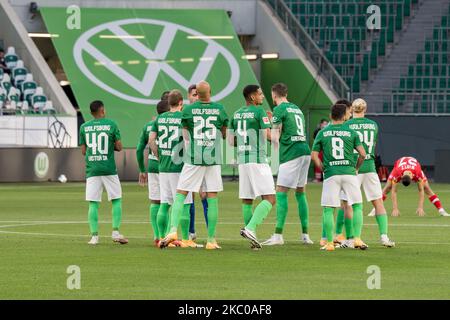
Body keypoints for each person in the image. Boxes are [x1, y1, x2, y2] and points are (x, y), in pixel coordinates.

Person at [159, 81, 228, 250]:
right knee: (212, 198)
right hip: (212, 158)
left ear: (197, 93)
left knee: (181, 194)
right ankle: (211, 240)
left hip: (194, 157)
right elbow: (224, 134)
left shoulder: (188, 110)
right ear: (210, 92)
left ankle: (173, 230)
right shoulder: (219, 109)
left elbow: (186, 134)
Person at [337, 98, 395, 248]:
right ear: (365, 109)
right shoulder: (373, 125)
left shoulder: (347, 124)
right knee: (378, 202)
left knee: (348, 204)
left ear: (351, 110)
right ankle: (384, 237)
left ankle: (351, 238)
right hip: (369, 167)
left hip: (353, 168)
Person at [149, 90, 202, 248]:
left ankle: (161, 237)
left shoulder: (160, 118)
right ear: (181, 103)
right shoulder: (182, 117)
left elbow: (152, 139)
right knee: (185, 203)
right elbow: (188, 140)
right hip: (179, 167)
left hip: (163, 167)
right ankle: (186, 239)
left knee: (164, 203)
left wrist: (158, 155)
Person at [262, 83, 313, 246]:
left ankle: (278, 236)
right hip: (305, 151)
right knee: (300, 192)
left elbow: (275, 137)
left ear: (274, 95)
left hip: (291, 153)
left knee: (281, 192)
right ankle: (305, 235)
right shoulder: (296, 108)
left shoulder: (279, 109)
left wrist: (266, 128)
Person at [311, 103, 367, 251]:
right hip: (349, 173)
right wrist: (356, 168)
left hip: (331, 174)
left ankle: (329, 243)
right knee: (357, 206)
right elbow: (363, 154)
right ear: (344, 116)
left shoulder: (322, 132)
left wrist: (322, 167)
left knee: (328, 209)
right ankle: (357, 239)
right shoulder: (351, 132)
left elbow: (314, 155)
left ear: (331, 116)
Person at [228, 85, 275, 249]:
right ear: (252, 97)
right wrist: (273, 126)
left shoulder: (236, 114)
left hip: (243, 160)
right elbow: (268, 136)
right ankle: (250, 228)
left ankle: (252, 239)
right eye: (260, 94)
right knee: (270, 198)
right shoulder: (259, 112)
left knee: (247, 200)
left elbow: (230, 141)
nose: (262, 97)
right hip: (258, 160)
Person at [79, 100, 127, 245]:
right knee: (116, 199)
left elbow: (83, 151)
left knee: (93, 203)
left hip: (92, 169)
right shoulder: (111, 124)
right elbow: (119, 147)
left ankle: (94, 237)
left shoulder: (84, 127)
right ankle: (115, 232)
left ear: (91, 112)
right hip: (108, 168)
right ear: (102, 110)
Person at [136, 99, 169, 247]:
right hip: (168, 165)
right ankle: (167, 235)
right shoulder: (172, 122)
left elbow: (138, 149)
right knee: (169, 201)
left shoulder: (148, 126)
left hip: (153, 166)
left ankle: (156, 235)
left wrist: (142, 169)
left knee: (155, 201)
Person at [374, 156, 450, 217]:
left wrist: (420, 207)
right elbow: (394, 191)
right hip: (399, 165)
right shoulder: (397, 173)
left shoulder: (417, 173)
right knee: (387, 188)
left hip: (414, 166)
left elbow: (421, 190)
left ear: (412, 177)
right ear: (401, 177)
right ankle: (375, 209)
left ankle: (441, 210)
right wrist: (395, 209)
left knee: (427, 188)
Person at [186, 84, 209, 241]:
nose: (195, 97)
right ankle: (191, 231)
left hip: (205, 159)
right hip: (187, 159)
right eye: (193, 95)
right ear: (188, 96)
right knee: (189, 196)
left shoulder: (208, 113)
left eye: (197, 94)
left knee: (205, 195)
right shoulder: (185, 113)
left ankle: (210, 234)